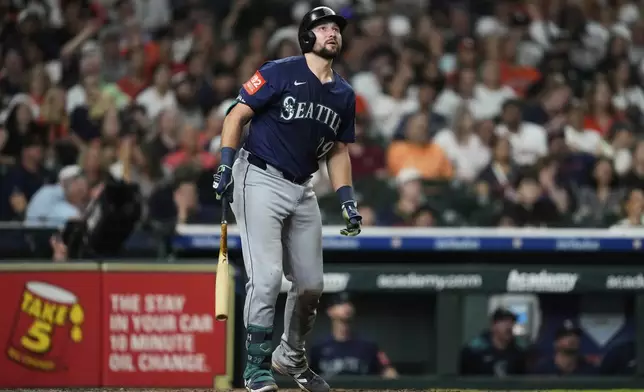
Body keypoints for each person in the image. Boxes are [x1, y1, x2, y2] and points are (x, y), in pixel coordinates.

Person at [212, 7, 362, 392]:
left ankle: (290, 356)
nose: (332, 32)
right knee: (265, 279)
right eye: (324, 27)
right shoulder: (279, 71)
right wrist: (225, 164)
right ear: (307, 36)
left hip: (302, 187)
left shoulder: (344, 94)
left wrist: (347, 199)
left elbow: (338, 151)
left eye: (336, 28)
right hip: (259, 175)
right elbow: (236, 115)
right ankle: (255, 368)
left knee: (311, 284)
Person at [309, 292, 398, 379]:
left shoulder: (369, 346)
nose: (346, 306)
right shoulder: (318, 348)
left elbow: (389, 372)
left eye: (349, 303)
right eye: (340, 303)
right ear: (330, 310)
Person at [459, 308, 528, 376]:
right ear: (493, 325)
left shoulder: (517, 354)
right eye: (504, 322)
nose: (508, 326)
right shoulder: (475, 352)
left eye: (511, 322)